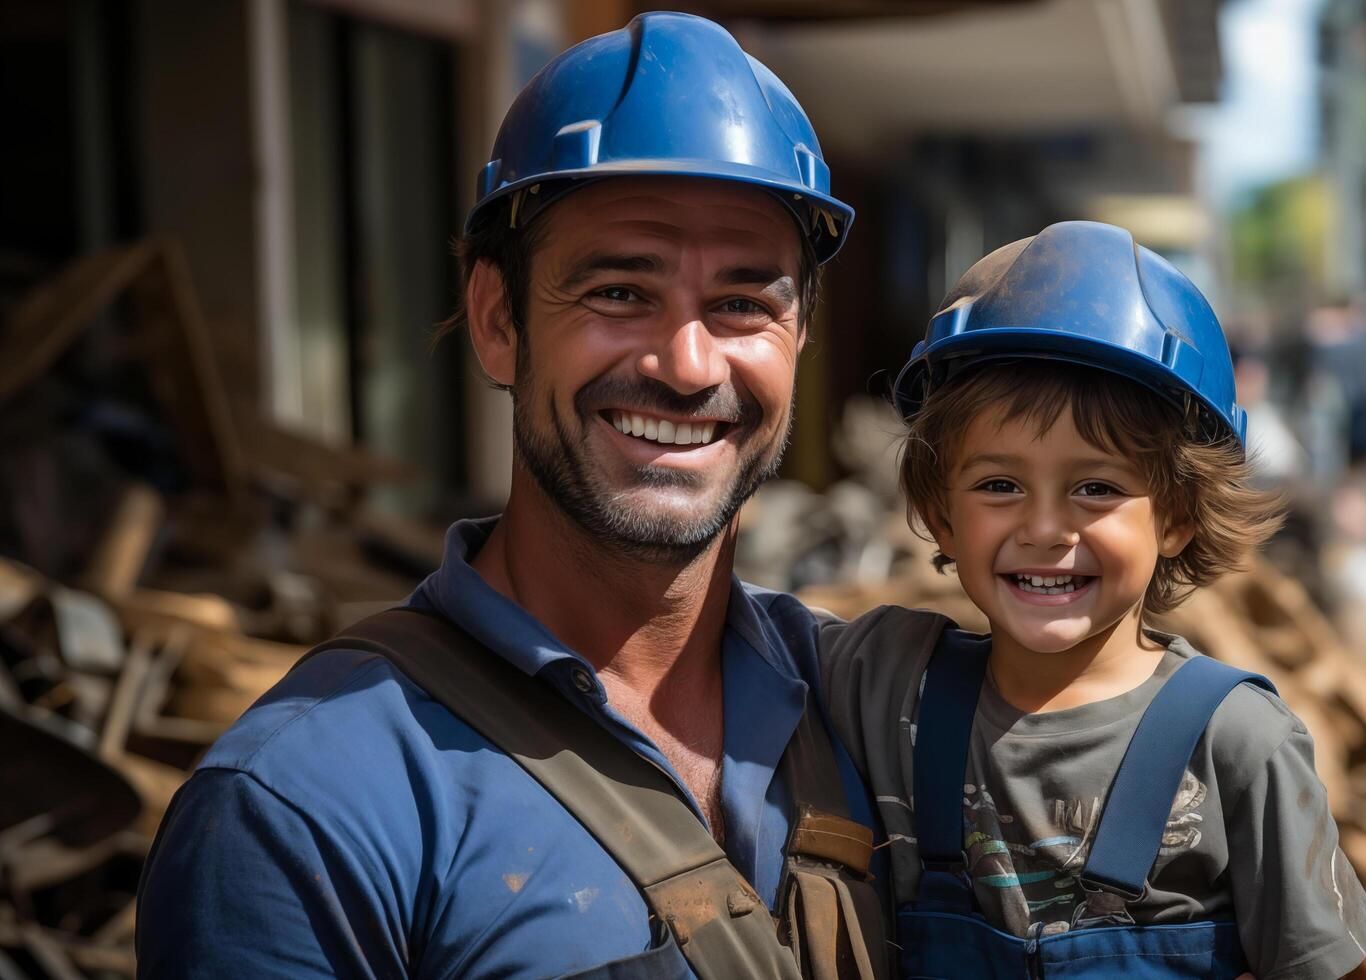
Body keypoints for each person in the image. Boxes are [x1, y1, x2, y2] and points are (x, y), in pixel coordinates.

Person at [138, 13, 885, 978]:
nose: (688, 366)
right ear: (497, 322)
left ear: (800, 339)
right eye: (619, 291)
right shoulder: (305, 802)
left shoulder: (872, 713)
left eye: (745, 303)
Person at [818, 222, 1366, 978]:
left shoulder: (1234, 742)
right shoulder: (882, 678)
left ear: (1175, 517)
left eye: (1095, 489)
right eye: (999, 486)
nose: (1044, 528)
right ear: (941, 513)